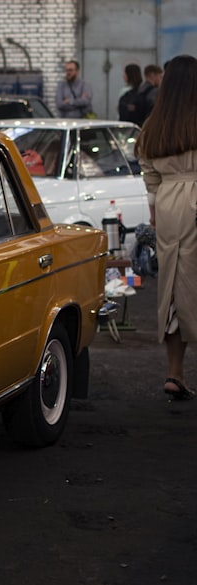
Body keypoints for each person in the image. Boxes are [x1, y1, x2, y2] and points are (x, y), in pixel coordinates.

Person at [134, 54, 197, 400]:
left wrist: (157, 217)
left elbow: (150, 179)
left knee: (173, 287)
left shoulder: (153, 126)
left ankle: (175, 373)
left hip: (170, 206)